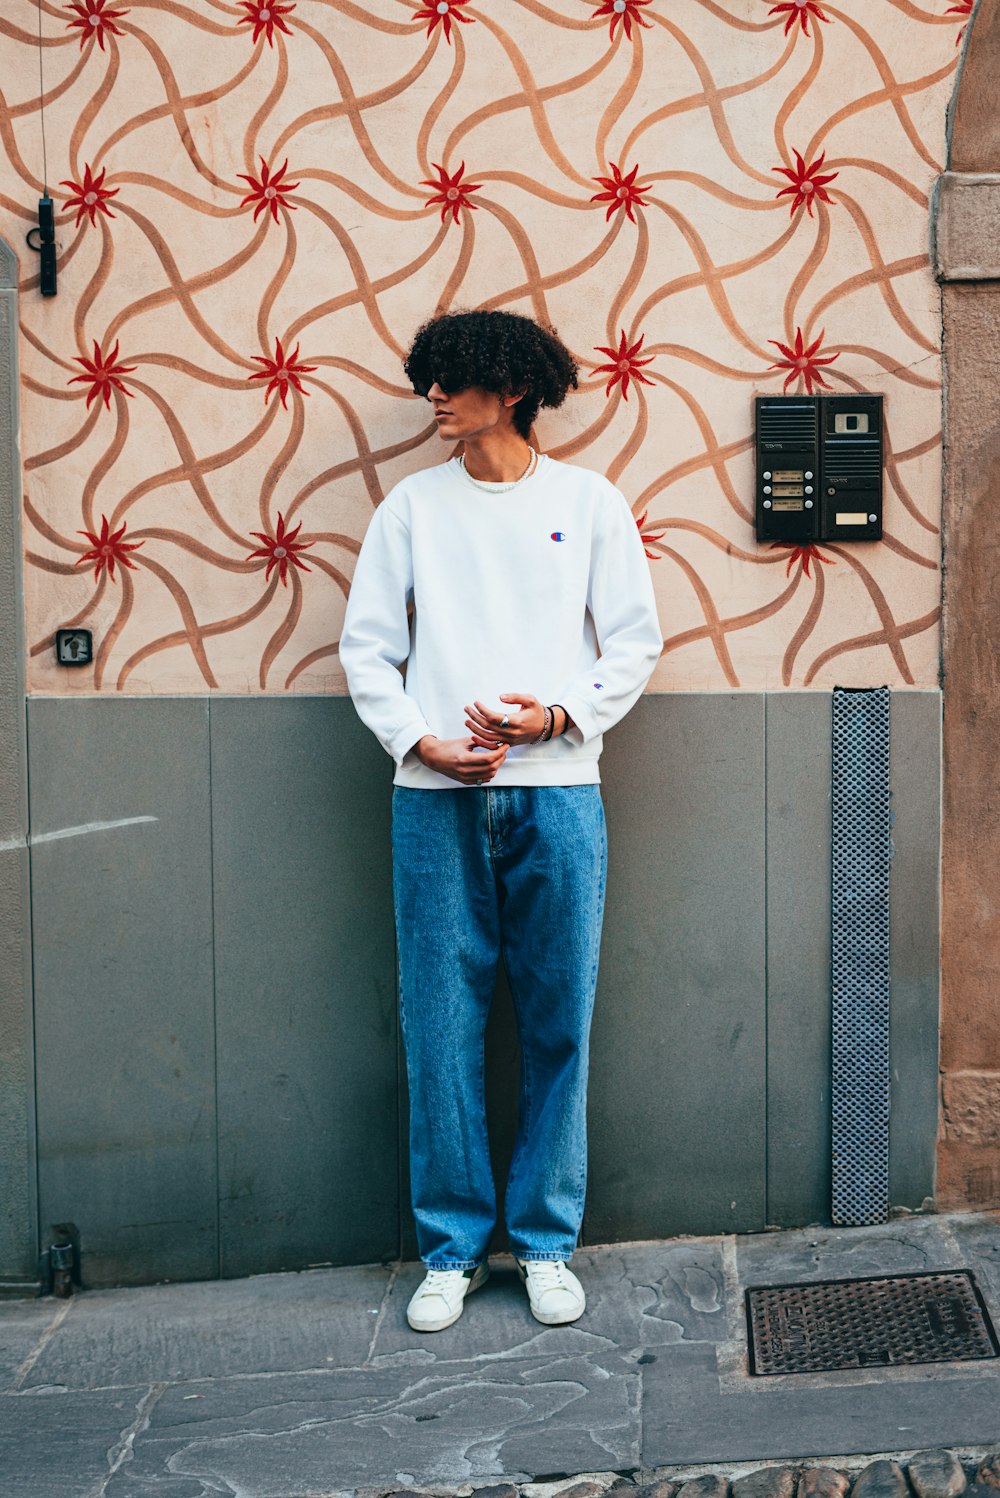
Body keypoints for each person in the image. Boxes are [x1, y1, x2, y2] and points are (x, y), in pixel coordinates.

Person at [340, 308, 662, 1332]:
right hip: (435, 802)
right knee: (441, 1021)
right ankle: (449, 1247)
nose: (435, 395)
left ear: (513, 388)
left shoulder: (588, 502)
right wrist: (418, 739)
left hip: (560, 794)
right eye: (430, 378)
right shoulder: (411, 510)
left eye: (455, 378)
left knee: (558, 1021)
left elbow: (633, 640)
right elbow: (365, 647)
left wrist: (557, 716)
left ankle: (544, 1243)